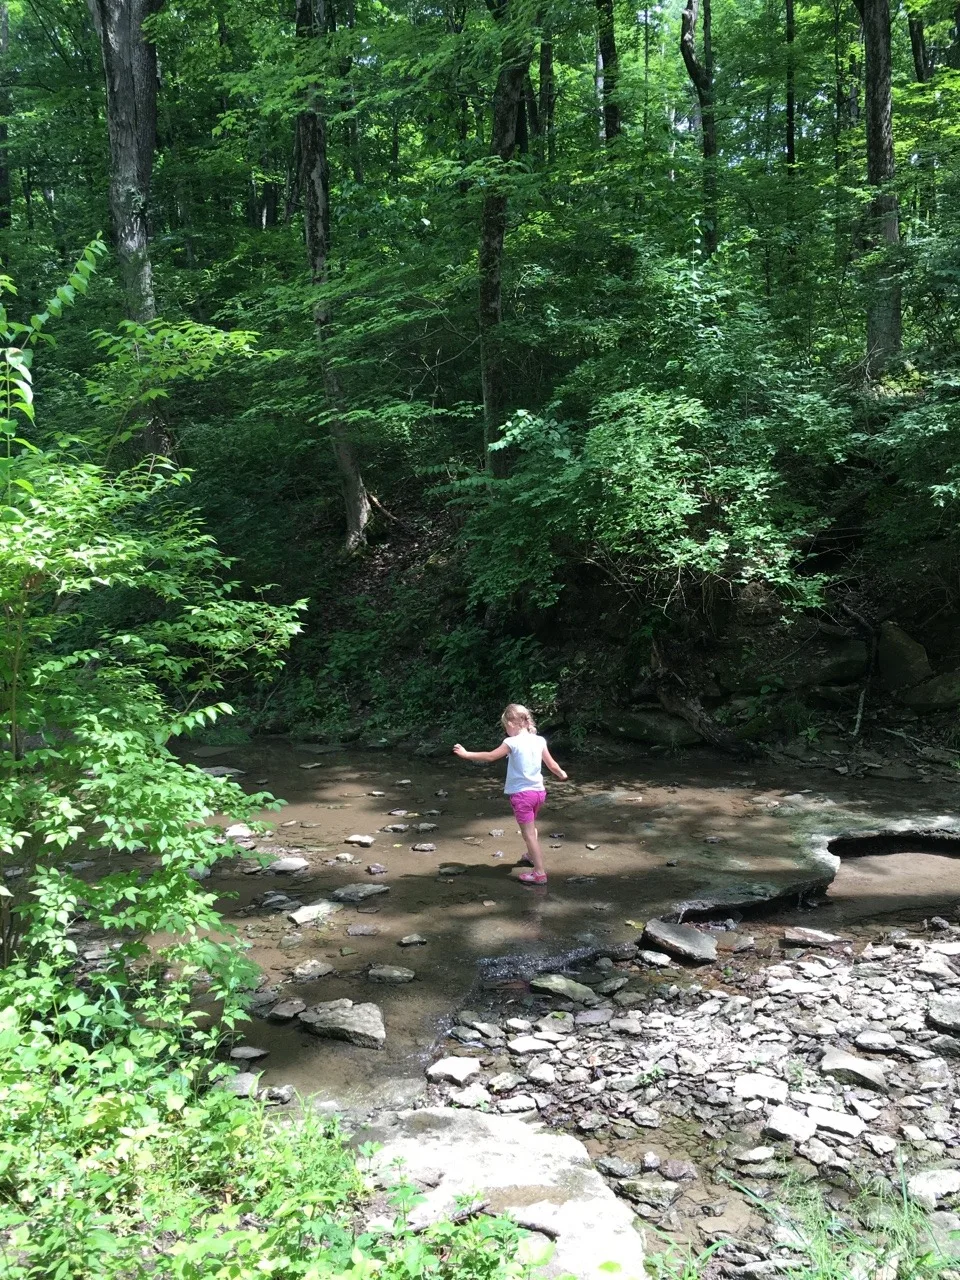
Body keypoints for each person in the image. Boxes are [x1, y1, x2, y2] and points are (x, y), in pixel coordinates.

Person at [452, 703, 568, 884]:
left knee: (528, 834)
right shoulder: (539, 740)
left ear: (513, 723)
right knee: (532, 828)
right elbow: (552, 765)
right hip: (539, 793)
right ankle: (531, 856)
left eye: (506, 726)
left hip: (522, 796)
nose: (506, 730)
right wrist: (561, 773)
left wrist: (466, 754)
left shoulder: (511, 742)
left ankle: (539, 873)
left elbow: (490, 757)